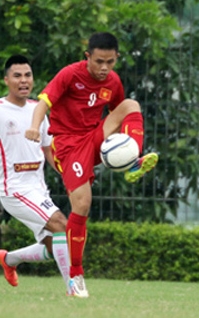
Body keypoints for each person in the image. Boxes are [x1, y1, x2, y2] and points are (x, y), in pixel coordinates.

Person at [25, 32, 158, 298]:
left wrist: (123, 139)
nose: (104, 68)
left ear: (116, 58)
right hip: (68, 146)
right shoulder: (70, 75)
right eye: (99, 61)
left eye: (110, 61)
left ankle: (133, 160)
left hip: (94, 139)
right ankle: (75, 276)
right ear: (88, 57)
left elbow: (120, 113)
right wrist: (34, 127)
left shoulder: (113, 81)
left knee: (131, 104)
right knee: (83, 204)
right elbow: (43, 103)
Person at [0, 55, 71, 295]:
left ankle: (8, 260)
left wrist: (69, 174)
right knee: (62, 224)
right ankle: (75, 288)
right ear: (6, 80)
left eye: (27, 75)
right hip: (14, 190)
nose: (23, 81)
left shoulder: (37, 110)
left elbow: (49, 150)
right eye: (17, 76)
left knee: (57, 246)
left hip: (38, 189)